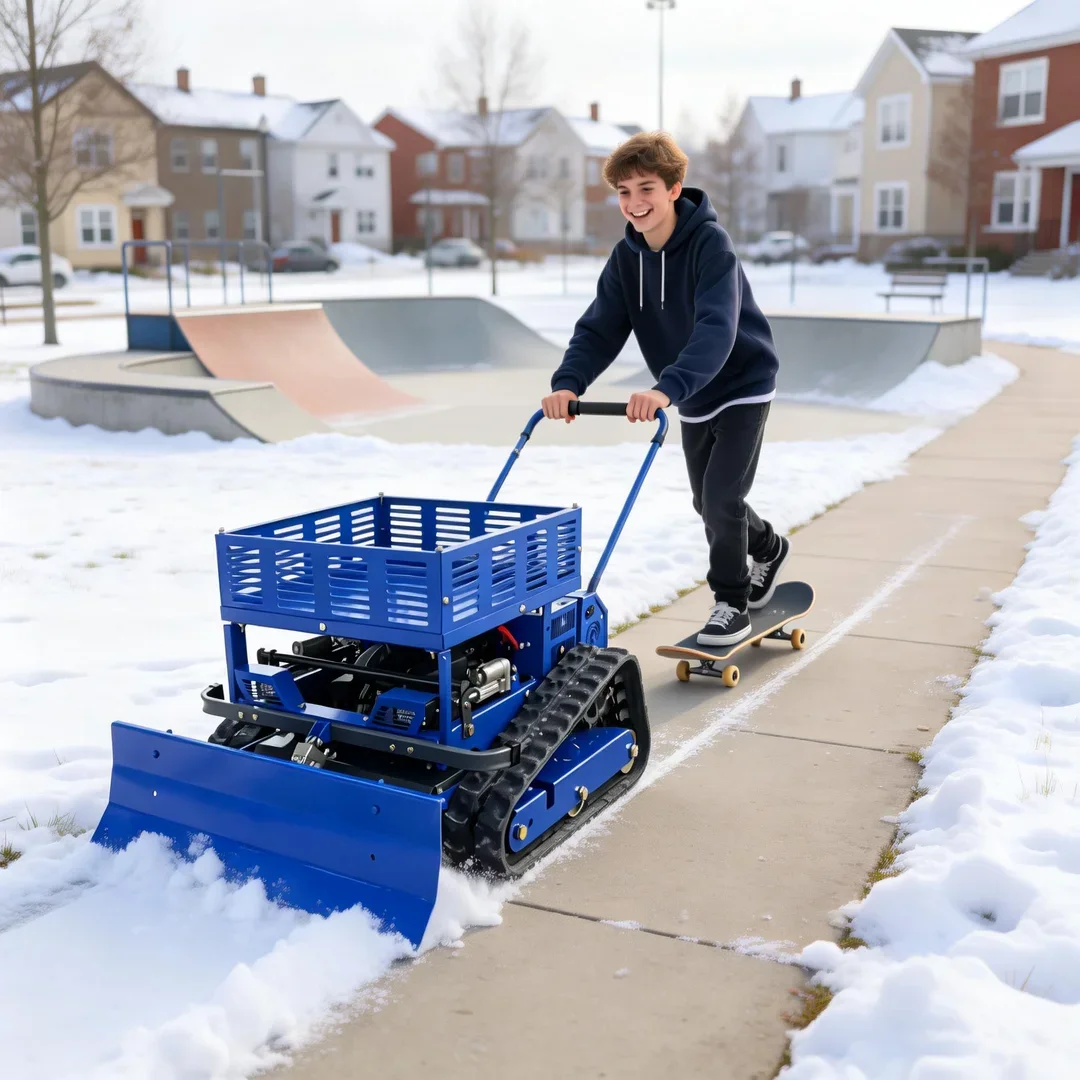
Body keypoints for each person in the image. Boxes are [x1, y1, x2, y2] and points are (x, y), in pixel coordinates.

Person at [541, 131, 788, 647]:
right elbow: (599, 329)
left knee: (722, 498)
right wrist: (568, 383)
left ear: (675, 188)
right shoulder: (625, 259)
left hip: (742, 383)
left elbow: (716, 328)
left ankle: (730, 603)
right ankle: (767, 548)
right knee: (708, 502)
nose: (635, 203)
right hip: (692, 395)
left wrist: (665, 388)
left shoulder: (710, 246)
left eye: (647, 188)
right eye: (624, 192)